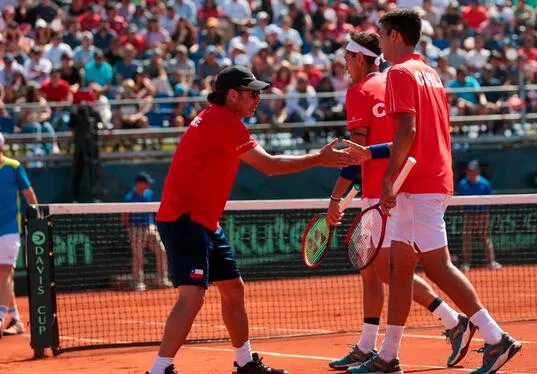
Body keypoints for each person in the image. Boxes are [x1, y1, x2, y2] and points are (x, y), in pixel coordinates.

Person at [343, 9, 521, 374]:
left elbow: (406, 130)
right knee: (400, 267)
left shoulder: (400, 72)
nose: (379, 41)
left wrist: (389, 178)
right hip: (430, 177)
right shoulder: (429, 72)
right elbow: (417, 131)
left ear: (393, 35)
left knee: (437, 266)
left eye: (381, 33)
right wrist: (384, 164)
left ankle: (494, 336)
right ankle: (389, 355)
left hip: (418, 182)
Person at [148, 65, 355, 374]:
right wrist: (318, 159)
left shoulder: (218, 119)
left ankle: (244, 363)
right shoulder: (222, 121)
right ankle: (159, 369)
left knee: (233, 289)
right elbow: (269, 166)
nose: (258, 98)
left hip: (205, 222)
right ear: (232, 95)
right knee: (192, 297)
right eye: (252, 93)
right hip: (185, 219)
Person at [325, 31, 474, 370]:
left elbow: (357, 153)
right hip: (397, 186)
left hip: (384, 191)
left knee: (387, 268)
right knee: (374, 270)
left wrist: (336, 196)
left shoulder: (359, 92)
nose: (345, 65)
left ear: (360, 58)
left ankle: (453, 321)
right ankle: (368, 344)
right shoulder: (391, 83)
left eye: (348, 58)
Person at [0, 132, 38, 337]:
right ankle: (16, 319)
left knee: (4, 271)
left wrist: (37, 218)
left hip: (9, 229)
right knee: (5, 276)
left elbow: (28, 194)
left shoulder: (13, 167)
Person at [123, 172, 170, 291]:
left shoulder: (150, 194)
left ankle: (162, 279)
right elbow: (124, 216)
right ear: (140, 183)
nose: (149, 185)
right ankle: (138, 283)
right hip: (136, 229)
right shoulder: (130, 197)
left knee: (161, 251)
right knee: (138, 257)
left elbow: (155, 211)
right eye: (146, 182)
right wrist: (130, 229)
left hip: (150, 227)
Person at [456, 160, 501, 272]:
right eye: (469, 170)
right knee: (467, 238)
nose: (471, 172)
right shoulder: (462, 184)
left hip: (482, 214)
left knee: (485, 237)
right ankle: (466, 263)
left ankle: (491, 262)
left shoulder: (485, 184)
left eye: (473, 170)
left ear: (477, 171)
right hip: (469, 214)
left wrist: (484, 214)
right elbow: (459, 201)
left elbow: (489, 200)